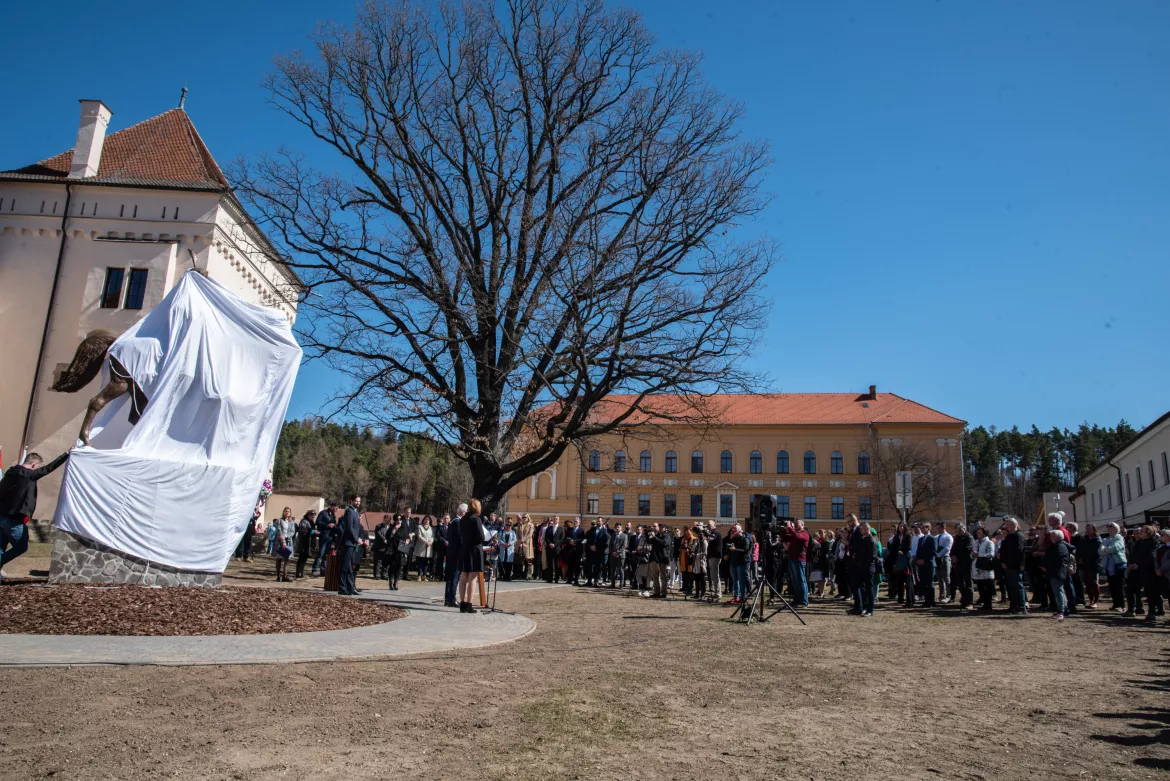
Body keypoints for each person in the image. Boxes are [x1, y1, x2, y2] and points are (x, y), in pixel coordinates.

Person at [0, 451, 70, 578]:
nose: (37, 469)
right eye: (37, 467)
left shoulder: (10, 473)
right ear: (34, 465)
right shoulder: (29, 475)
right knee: (21, 547)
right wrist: (67, 454)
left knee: (0, 547)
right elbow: (50, 467)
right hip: (15, 519)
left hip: (1, 516)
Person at [457, 499, 488, 613]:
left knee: (463, 576)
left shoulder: (463, 519)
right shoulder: (476, 519)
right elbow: (482, 537)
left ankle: (462, 603)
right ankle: (469, 604)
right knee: (473, 577)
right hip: (474, 549)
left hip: (465, 548)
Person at [1126, 525, 1160, 620]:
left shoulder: (1153, 542)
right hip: (1134, 570)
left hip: (1147, 570)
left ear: (1149, 533)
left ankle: (1151, 612)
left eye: (1142, 531)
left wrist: (1138, 564)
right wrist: (1130, 563)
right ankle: (1131, 610)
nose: (1140, 533)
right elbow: (1131, 554)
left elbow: (1151, 556)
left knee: (1149, 592)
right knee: (1130, 589)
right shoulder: (1138, 542)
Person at [778, 519, 811, 607]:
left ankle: (804, 601)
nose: (795, 525)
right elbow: (784, 537)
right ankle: (796, 600)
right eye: (794, 524)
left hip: (799, 560)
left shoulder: (805, 534)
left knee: (801, 581)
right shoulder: (793, 533)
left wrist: (790, 528)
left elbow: (798, 537)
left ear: (803, 525)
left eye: (797, 524)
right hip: (792, 559)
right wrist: (784, 529)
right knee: (794, 581)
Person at [998, 518, 1028, 614]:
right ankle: (1014, 605)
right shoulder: (1010, 536)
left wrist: (1007, 561)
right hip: (1008, 565)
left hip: (1015, 565)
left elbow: (1017, 551)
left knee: (1017, 586)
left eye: (1008, 525)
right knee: (1011, 587)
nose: (1006, 527)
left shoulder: (1017, 536)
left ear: (1013, 525)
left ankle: (1020, 606)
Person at [336, 495, 363, 596]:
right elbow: (349, 527)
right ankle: (342, 587)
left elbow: (356, 528)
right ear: (351, 501)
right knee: (345, 566)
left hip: (353, 543)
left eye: (359, 501)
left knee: (351, 567)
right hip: (348, 543)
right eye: (356, 501)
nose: (357, 503)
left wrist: (358, 539)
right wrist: (356, 539)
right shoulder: (349, 511)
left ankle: (351, 587)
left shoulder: (355, 512)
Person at [1041, 528, 1070, 621]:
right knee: (1059, 591)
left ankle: (1061, 611)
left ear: (1055, 537)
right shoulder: (1057, 546)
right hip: (1054, 571)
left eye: (1051, 536)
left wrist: (1047, 566)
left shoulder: (1060, 546)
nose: (1050, 538)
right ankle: (1063, 609)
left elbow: (1055, 559)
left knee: (1058, 591)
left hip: (1057, 572)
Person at [1100, 522, 1128, 612]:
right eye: (1108, 527)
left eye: (1111, 527)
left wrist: (1106, 549)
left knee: (1119, 586)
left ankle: (1121, 605)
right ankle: (1115, 604)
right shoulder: (1106, 539)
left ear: (1116, 528)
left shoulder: (1119, 538)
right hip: (1108, 565)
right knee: (1112, 585)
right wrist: (1107, 550)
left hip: (1118, 564)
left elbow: (1115, 548)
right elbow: (1100, 551)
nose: (1109, 529)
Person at [1075, 523, 1102, 609]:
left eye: (1089, 529)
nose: (1087, 531)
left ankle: (1095, 601)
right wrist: (1079, 558)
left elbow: (1096, 553)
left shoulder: (1097, 540)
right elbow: (1079, 550)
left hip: (1093, 565)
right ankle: (1090, 600)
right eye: (1087, 529)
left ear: (1094, 530)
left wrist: (1087, 559)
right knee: (1087, 584)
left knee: (1094, 583)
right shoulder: (1084, 540)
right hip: (1084, 565)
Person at [444, 504, 466, 608]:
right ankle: (451, 599)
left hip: (451, 552)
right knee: (454, 577)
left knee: (450, 576)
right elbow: (460, 539)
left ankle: (447, 598)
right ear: (463, 512)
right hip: (456, 553)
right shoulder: (458, 522)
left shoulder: (453, 521)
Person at [311, 502, 339, 577]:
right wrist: (327, 525)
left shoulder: (333, 516)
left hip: (330, 537)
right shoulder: (323, 513)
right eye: (336, 508)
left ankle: (323, 570)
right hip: (324, 536)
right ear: (332, 506)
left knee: (326, 555)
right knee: (321, 553)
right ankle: (314, 569)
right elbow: (318, 522)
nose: (337, 509)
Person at [951, 522, 975, 609]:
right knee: (960, 584)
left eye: (960, 530)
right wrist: (953, 556)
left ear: (964, 529)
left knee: (968, 583)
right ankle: (964, 599)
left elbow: (967, 549)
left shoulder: (969, 537)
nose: (959, 532)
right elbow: (953, 549)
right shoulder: (957, 538)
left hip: (966, 563)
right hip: (958, 564)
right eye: (957, 531)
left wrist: (958, 556)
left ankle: (970, 602)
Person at [724, 523, 749, 604]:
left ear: (739, 531)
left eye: (735, 531)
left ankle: (742, 597)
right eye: (732, 531)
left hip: (741, 563)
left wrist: (735, 549)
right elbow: (728, 548)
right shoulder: (733, 539)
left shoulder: (745, 539)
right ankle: (736, 596)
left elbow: (745, 551)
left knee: (741, 581)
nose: (733, 533)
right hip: (733, 562)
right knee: (735, 580)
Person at [973, 525, 996, 611]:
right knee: (981, 586)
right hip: (978, 567)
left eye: (980, 532)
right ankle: (983, 602)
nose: (978, 534)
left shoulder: (989, 542)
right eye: (977, 532)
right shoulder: (976, 542)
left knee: (987, 587)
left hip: (986, 567)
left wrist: (980, 555)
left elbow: (991, 554)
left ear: (984, 533)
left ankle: (988, 604)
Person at [914, 521, 937, 608]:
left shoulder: (932, 539)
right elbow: (918, 551)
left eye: (924, 527)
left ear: (928, 528)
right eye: (922, 528)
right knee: (923, 582)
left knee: (929, 583)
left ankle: (931, 601)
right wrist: (918, 559)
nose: (922, 529)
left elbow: (933, 551)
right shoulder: (921, 539)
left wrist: (924, 560)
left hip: (929, 564)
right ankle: (926, 600)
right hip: (921, 564)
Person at [272, 507, 296, 582]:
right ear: (283, 512)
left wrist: (286, 536)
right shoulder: (279, 521)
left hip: (288, 540)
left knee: (288, 559)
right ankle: (278, 576)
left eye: (288, 511)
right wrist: (282, 540)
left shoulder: (291, 522)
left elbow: (292, 532)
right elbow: (279, 531)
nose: (287, 512)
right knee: (279, 559)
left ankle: (285, 576)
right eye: (286, 511)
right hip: (280, 541)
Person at [584, 518, 609, 587]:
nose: (598, 522)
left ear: (602, 522)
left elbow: (607, 541)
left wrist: (598, 547)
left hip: (599, 551)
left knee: (597, 567)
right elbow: (587, 539)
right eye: (597, 521)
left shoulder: (604, 531)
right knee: (589, 566)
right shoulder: (592, 530)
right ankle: (589, 580)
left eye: (599, 521)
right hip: (591, 551)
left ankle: (596, 580)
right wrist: (590, 546)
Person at [934, 521, 953, 604]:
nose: (938, 529)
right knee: (939, 578)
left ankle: (949, 595)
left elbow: (947, 548)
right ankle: (941, 595)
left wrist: (938, 555)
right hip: (937, 559)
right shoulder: (936, 537)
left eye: (939, 528)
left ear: (943, 527)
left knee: (946, 577)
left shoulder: (948, 537)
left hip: (944, 558)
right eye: (937, 528)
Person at [294, 509, 315, 579]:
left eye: (314, 515)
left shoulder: (311, 522)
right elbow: (303, 531)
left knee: (305, 558)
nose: (313, 516)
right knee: (301, 558)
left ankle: (302, 572)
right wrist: (312, 532)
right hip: (303, 542)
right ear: (308, 515)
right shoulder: (304, 521)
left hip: (309, 543)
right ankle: (298, 572)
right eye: (312, 514)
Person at [543, 516, 565, 583]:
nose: (555, 520)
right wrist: (550, 544)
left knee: (556, 564)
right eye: (554, 519)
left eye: (556, 519)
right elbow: (546, 537)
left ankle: (556, 578)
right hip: (549, 549)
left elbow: (562, 539)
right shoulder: (549, 528)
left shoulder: (561, 528)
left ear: (558, 520)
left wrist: (555, 545)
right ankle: (549, 578)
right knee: (549, 564)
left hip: (557, 549)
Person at [706, 521, 724, 601]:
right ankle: (716, 592)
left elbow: (711, 538)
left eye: (710, 525)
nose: (708, 526)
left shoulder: (716, 533)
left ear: (714, 525)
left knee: (715, 576)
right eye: (708, 525)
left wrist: (704, 531)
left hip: (715, 557)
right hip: (711, 556)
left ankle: (718, 594)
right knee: (713, 576)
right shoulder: (712, 533)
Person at [608, 523, 628, 588]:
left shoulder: (624, 535)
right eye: (616, 527)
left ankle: (621, 585)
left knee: (621, 570)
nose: (617, 528)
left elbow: (624, 546)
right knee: (613, 570)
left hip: (621, 555)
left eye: (618, 527)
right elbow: (610, 545)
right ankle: (612, 584)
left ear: (621, 528)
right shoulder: (613, 535)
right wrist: (613, 552)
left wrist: (617, 552)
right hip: (613, 555)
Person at [517, 514, 535, 580]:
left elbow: (529, 535)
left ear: (528, 518)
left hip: (528, 544)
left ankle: (528, 574)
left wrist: (523, 540)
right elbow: (517, 534)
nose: (524, 518)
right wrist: (519, 541)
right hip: (520, 544)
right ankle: (521, 574)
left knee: (528, 560)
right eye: (523, 517)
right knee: (520, 559)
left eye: (525, 517)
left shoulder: (531, 525)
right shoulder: (520, 525)